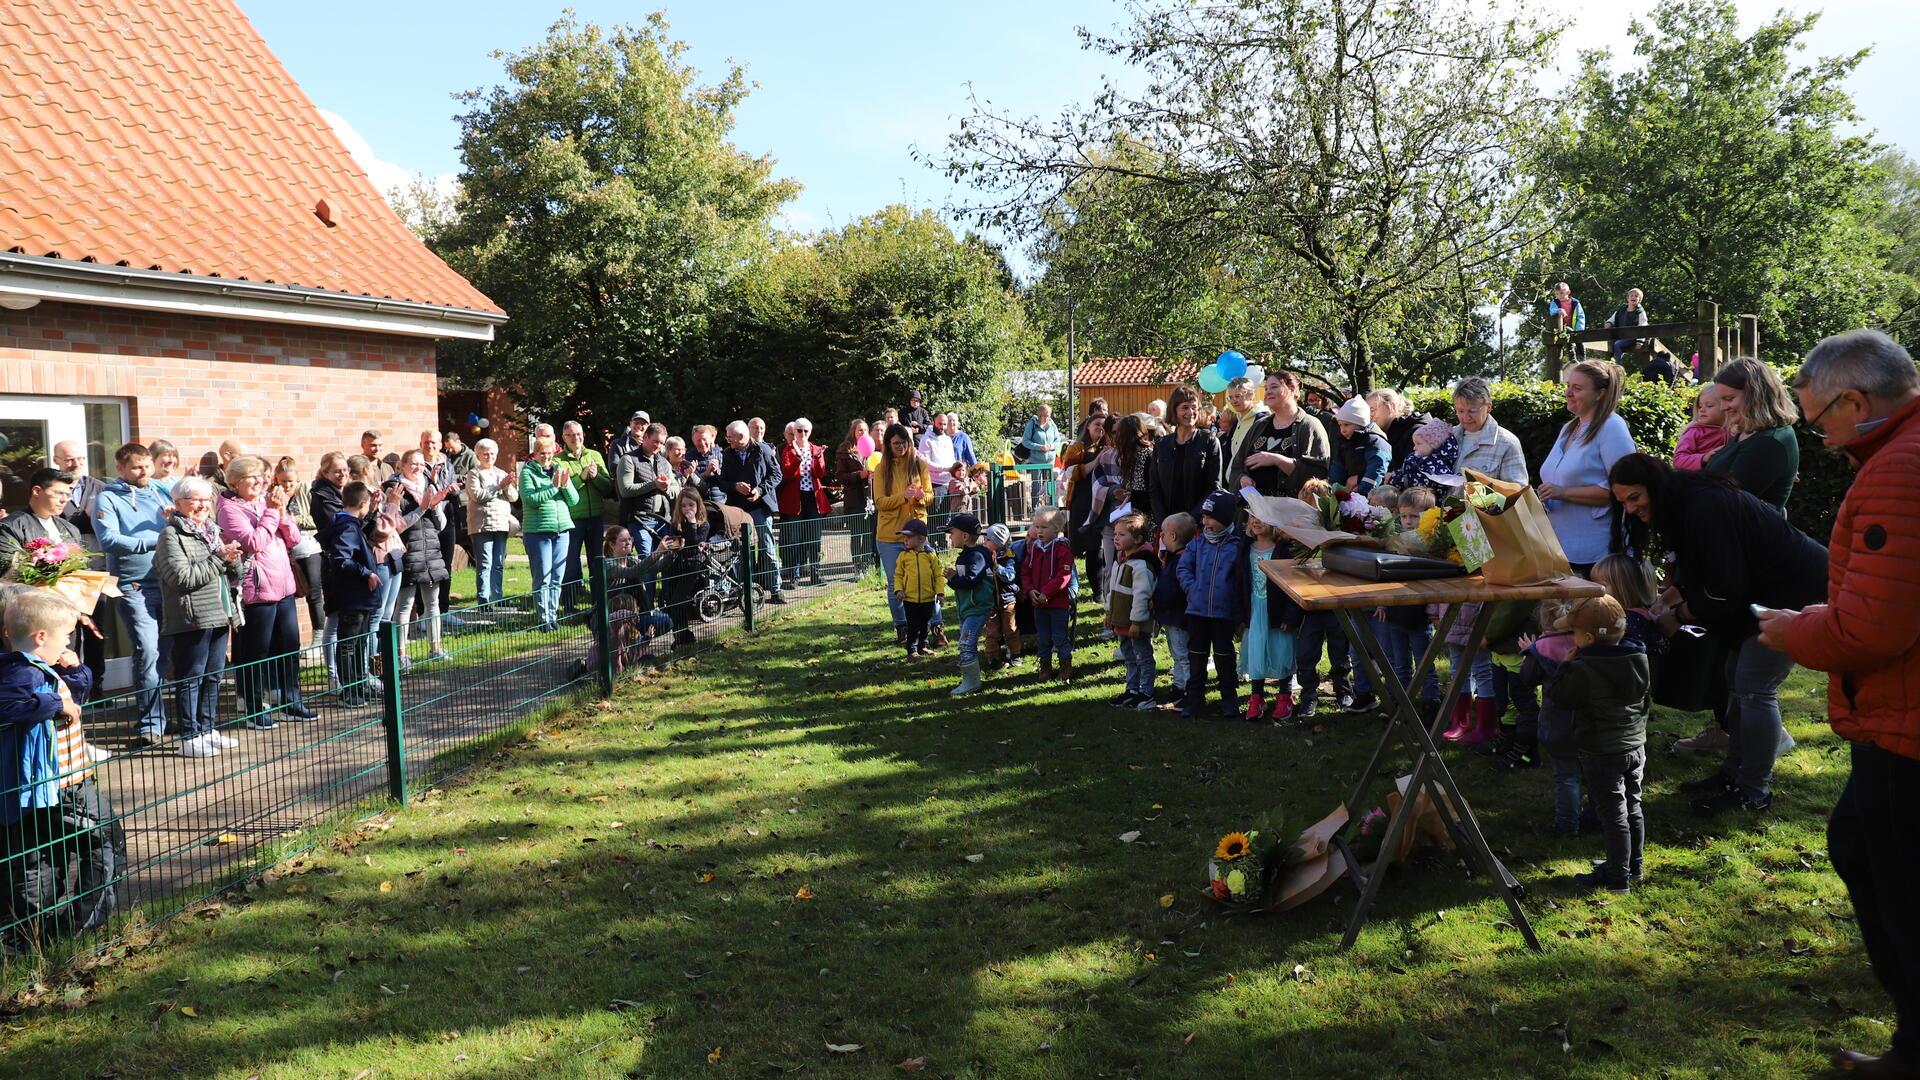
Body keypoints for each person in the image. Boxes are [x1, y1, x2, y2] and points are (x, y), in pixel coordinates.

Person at [1758, 329, 1920, 1079]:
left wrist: (1796, 628)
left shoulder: (1899, 471)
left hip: (1903, 720)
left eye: (1818, 419)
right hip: (1897, 713)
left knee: (1893, 877)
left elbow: (1870, 626)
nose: (1817, 437)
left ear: (1855, 401)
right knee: (1859, 844)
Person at [1609, 453, 1826, 816]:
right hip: (1760, 594)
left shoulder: (1704, 508)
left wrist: (1678, 614)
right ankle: (1734, 775)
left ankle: (1753, 791)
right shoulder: (1685, 505)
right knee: (1734, 681)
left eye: (1635, 497)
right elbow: (1702, 571)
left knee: (1755, 689)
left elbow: (1724, 587)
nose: (1630, 509)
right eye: (1622, 502)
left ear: (1655, 487)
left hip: (1792, 592)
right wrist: (1670, 598)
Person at [0, 589, 125, 936]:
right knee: (104, 841)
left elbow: (77, 694)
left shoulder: (41, 668)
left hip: (55, 787)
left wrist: (76, 670)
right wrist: (55, 705)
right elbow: (8, 706)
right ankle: (81, 926)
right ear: (41, 636)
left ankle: (41, 933)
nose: (70, 640)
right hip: (63, 786)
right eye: (66, 634)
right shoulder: (20, 673)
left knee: (44, 856)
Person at [1547, 595, 1650, 894]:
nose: (1572, 638)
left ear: (1587, 638)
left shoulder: (1583, 669)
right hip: (1634, 745)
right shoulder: (1638, 658)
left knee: (1612, 812)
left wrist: (1564, 667)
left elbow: (1561, 697)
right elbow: (1645, 701)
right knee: (1633, 806)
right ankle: (1634, 866)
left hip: (1602, 750)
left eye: (1574, 633)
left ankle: (1618, 877)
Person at [218, 456, 315, 725]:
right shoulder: (228, 509)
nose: (260, 482)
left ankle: (290, 701)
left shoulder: (264, 503)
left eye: (262, 477)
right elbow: (254, 542)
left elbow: (293, 538)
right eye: (253, 477)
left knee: (289, 645)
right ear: (236, 482)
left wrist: (280, 513)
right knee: (256, 652)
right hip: (256, 588)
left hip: (283, 585)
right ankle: (253, 708)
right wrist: (273, 512)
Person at [150, 477, 241, 759]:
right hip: (192, 617)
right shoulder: (170, 536)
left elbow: (232, 574)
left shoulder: (212, 530)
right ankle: (189, 736)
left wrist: (233, 559)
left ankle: (207, 728)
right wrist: (219, 559)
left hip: (220, 611)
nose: (201, 505)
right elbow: (182, 578)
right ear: (178, 504)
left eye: (205, 499)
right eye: (194, 500)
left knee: (214, 675)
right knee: (192, 675)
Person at [94, 442, 170, 745]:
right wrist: (157, 541)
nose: (144, 472)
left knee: (168, 653)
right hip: (134, 585)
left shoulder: (160, 490)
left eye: (147, 466)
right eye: (137, 467)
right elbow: (109, 540)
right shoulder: (108, 497)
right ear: (121, 468)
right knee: (148, 651)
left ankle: (172, 718)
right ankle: (150, 725)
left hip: (170, 581)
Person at [1539, 359, 1635, 573]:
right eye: (1568, 387)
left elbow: (1626, 489)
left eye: (1577, 388)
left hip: (1596, 554)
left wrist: (1563, 492)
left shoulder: (1612, 428)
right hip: (1561, 547)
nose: (1568, 393)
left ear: (1600, 394)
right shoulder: (1569, 428)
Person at [1177, 490, 1248, 719]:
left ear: (1226, 518)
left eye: (1210, 517)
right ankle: (1195, 698)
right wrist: (1192, 588)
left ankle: (1229, 698)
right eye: (1203, 517)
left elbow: (1241, 578)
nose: (1205, 522)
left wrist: (1235, 604)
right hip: (1197, 611)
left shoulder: (1237, 545)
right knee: (1196, 656)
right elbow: (1183, 568)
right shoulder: (1197, 543)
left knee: (1224, 656)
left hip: (1223, 613)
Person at [386, 450, 454, 669]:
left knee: (432, 603)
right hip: (407, 553)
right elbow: (397, 525)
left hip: (431, 551)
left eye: (420, 464)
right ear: (402, 466)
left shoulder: (428, 485)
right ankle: (401, 653)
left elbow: (440, 525)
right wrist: (422, 507)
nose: (417, 467)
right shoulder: (394, 489)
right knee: (405, 605)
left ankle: (435, 648)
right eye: (412, 463)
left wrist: (434, 507)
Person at [1705, 357, 1800, 510]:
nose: (1722, 407)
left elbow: (1726, 503)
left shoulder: (1769, 443)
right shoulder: (1749, 432)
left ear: (1756, 396)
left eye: (1729, 399)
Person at [318, 482, 383, 707]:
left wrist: (372, 513)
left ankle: (359, 684)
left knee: (360, 641)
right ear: (362, 503)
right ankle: (349, 690)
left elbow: (358, 536)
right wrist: (367, 573)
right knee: (349, 644)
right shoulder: (347, 527)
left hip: (361, 597)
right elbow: (341, 559)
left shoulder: (349, 523)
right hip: (353, 596)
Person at [872, 422, 935, 643]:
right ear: (888, 445)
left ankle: (935, 626)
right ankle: (902, 627)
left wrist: (920, 496)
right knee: (895, 583)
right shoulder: (881, 469)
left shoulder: (919, 464)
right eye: (896, 443)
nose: (900, 447)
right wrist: (903, 497)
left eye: (904, 443)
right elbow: (879, 502)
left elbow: (930, 496)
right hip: (890, 536)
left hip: (917, 532)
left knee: (927, 577)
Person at [1239, 505, 1300, 721]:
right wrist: (1241, 614)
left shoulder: (1284, 549)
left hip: (1277, 610)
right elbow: (1241, 583)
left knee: (1281, 649)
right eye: (1252, 516)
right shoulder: (1245, 548)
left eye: (1263, 517)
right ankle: (1257, 697)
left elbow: (1293, 584)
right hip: (1254, 610)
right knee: (1256, 651)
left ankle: (1285, 695)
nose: (1256, 521)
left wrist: (1291, 615)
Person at [1229, 371, 1330, 499]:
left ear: (1292, 390)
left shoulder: (1310, 426)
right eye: (1266, 388)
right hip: (1253, 514)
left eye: (1274, 387)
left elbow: (1318, 476)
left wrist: (1278, 460)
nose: (1268, 392)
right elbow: (1237, 466)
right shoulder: (1259, 426)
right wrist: (1242, 479)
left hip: (1291, 514)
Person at [719, 420, 785, 606]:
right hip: (738, 510)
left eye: (730, 437)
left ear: (741, 436)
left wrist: (760, 490)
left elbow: (776, 474)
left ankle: (776, 590)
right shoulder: (728, 454)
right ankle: (742, 591)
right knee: (740, 552)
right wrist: (734, 486)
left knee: (767, 548)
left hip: (760, 508)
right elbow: (722, 482)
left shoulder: (762, 450)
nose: (728, 440)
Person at [517, 435, 579, 633]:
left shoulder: (560, 470)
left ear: (554, 453)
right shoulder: (527, 473)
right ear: (534, 454)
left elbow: (574, 500)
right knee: (542, 576)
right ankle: (543, 620)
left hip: (562, 530)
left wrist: (565, 485)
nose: (546, 456)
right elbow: (531, 499)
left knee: (557, 577)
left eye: (549, 453)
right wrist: (553, 486)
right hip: (538, 532)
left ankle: (553, 617)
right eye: (542, 453)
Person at [1103, 512, 1159, 711]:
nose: (1116, 538)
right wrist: (1109, 612)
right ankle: (1132, 689)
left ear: (1137, 539)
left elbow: (1141, 596)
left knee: (1143, 657)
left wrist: (1136, 622)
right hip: (1122, 620)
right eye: (1116, 534)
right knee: (1129, 657)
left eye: (1122, 535)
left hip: (1136, 623)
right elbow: (1114, 591)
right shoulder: (1121, 561)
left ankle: (1147, 692)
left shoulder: (1141, 565)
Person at [555, 422, 612, 612]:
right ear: (564, 438)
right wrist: (582, 477)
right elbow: (563, 489)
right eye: (570, 435)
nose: (575, 438)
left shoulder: (594, 455)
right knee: (571, 564)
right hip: (572, 519)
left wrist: (596, 477)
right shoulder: (558, 461)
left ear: (583, 435)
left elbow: (607, 487)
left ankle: (598, 605)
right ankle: (569, 607)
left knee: (597, 563)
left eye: (578, 434)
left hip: (595, 518)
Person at [1149, 386, 1223, 525]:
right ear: (1174, 411)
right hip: (1167, 525)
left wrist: (1190, 520)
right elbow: (1154, 488)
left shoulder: (1209, 442)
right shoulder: (1162, 445)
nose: (1190, 412)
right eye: (1185, 407)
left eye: (1194, 407)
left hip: (1197, 524)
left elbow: (1214, 487)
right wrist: (1164, 522)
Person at [1018, 508, 1075, 680]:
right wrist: (1030, 590)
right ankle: (1045, 667)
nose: (1039, 531)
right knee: (1042, 637)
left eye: (1044, 527)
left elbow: (1063, 576)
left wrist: (1047, 593)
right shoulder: (1035, 548)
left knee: (1059, 637)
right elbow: (1025, 571)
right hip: (1038, 603)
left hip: (1057, 603)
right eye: (1037, 526)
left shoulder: (1063, 549)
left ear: (1057, 528)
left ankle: (1065, 666)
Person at [944, 512, 995, 697]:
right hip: (967, 608)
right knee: (966, 643)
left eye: (952, 532)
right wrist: (953, 578)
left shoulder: (977, 556)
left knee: (966, 643)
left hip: (977, 608)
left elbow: (970, 580)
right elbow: (962, 583)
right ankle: (970, 680)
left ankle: (971, 682)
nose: (950, 536)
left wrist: (953, 578)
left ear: (964, 536)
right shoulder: (965, 556)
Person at [278, 456, 326, 647]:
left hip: (309, 548)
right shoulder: (276, 494)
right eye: (283, 481)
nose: (287, 484)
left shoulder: (305, 490)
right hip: (287, 552)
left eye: (291, 481)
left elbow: (316, 519)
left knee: (314, 593)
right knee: (290, 594)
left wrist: (295, 519)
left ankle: (319, 638)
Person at [777, 418, 830, 589]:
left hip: (812, 498)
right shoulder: (788, 449)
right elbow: (787, 473)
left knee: (814, 538)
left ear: (810, 432)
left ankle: (815, 574)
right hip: (794, 499)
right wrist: (798, 460)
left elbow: (820, 473)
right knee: (794, 539)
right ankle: (794, 575)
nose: (802, 434)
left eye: (806, 431)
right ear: (795, 432)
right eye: (799, 431)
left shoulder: (815, 449)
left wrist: (820, 457)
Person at [464, 439, 517, 607]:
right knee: (485, 563)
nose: (489, 457)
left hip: (501, 523)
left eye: (492, 453)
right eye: (486, 453)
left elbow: (514, 497)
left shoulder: (500, 473)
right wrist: (499, 487)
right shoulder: (474, 473)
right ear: (478, 455)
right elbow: (477, 496)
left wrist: (507, 486)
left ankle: (498, 598)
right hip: (482, 524)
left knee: (499, 563)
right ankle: (484, 601)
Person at [1153, 512, 1196, 707]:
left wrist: (1158, 601)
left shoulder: (1181, 561)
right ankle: (1179, 686)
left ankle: (1189, 689)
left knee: (1182, 655)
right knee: (1176, 653)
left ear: (1173, 536)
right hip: (1171, 617)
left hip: (1178, 617)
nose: (1160, 536)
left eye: (1163, 533)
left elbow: (1174, 592)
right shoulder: (1173, 559)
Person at [1449, 378, 1527, 484]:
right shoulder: (1447, 437)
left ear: (1488, 407)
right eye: (1460, 411)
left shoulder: (1507, 443)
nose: (1466, 417)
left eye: (1472, 411)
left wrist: (1483, 491)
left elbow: (1517, 492)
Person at [892, 518, 941, 658]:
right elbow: (898, 575)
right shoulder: (904, 555)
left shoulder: (930, 555)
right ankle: (912, 650)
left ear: (921, 539)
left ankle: (923, 646)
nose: (905, 540)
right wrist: (899, 589)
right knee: (913, 625)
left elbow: (938, 574)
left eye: (908, 537)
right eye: (904, 537)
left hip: (928, 598)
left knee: (925, 624)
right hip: (910, 599)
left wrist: (940, 593)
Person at [979, 523, 1021, 671]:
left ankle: (1015, 654)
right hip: (989, 602)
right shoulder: (983, 556)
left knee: (1010, 629)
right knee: (991, 632)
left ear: (997, 543)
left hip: (1007, 599)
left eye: (988, 540)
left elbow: (1010, 576)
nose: (984, 542)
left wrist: (997, 567)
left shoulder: (1008, 556)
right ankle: (993, 658)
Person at [1331, 397, 1391, 497]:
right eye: (1340, 425)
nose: (1342, 430)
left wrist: (1362, 493)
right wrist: (1334, 489)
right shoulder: (1344, 442)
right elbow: (1337, 466)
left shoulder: (1374, 441)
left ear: (1360, 423)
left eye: (1346, 425)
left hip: (1373, 495)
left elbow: (1377, 469)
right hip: (1351, 493)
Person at [1387, 418, 1461, 498]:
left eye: (1418, 444)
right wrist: (1395, 474)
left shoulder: (1437, 464)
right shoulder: (1418, 458)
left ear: (1434, 445)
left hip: (1427, 505)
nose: (1414, 448)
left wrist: (1396, 478)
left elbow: (1426, 482)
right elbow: (1408, 472)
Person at [836, 421, 874, 570]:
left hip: (869, 497)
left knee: (868, 532)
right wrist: (859, 475)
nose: (863, 433)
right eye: (859, 430)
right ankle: (857, 566)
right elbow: (841, 477)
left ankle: (867, 564)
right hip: (854, 499)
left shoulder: (872, 449)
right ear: (853, 431)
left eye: (865, 430)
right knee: (856, 533)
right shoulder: (844, 451)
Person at [1364, 389, 1432, 470]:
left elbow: (1409, 470)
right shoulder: (1391, 432)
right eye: (1367, 412)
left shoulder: (1416, 432)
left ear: (1392, 406)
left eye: (1372, 410)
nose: (1369, 416)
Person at [1673, 384, 1732, 471]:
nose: (1702, 410)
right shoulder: (1694, 432)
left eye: (1709, 405)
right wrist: (1703, 458)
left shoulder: (1734, 431)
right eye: (1700, 406)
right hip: (1697, 480)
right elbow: (1678, 460)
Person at [918, 414, 958, 542]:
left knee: (945, 517)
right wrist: (946, 469)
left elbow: (952, 460)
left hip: (948, 482)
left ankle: (942, 545)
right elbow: (926, 463)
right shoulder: (926, 440)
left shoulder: (947, 440)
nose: (942, 427)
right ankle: (933, 546)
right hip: (934, 483)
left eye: (944, 424)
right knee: (934, 517)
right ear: (933, 422)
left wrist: (954, 471)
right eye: (940, 424)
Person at [1019, 404, 1063, 504]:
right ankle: (1035, 508)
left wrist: (1051, 446)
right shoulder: (1032, 424)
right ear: (1039, 415)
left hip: (1049, 462)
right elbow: (1025, 441)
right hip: (1036, 461)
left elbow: (1058, 441)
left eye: (1047, 415)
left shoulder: (1052, 425)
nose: (1045, 418)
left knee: (1049, 485)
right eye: (1043, 415)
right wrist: (1040, 447)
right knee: (1036, 485)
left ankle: (1049, 507)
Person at [1605, 287, 1649, 362]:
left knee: (1618, 344)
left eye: (1636, 296)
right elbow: (1613, 318)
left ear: (1639, 300)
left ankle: (1617, 366)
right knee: (1610, 344)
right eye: (1631, 296)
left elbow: (1643, 326)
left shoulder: (1640, 312)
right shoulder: (1622, 310)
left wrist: (1640, 341)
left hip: (1632, 337)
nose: (1633, 297)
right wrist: (1609, 323)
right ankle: (1611, 364)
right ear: (1628, 299)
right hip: (1620, 335)